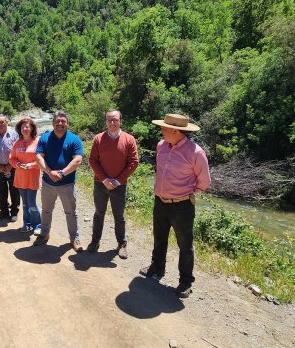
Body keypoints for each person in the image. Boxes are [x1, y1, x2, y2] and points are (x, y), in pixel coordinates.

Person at [139, 113, 211, 298]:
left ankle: (185, 282)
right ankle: (157, 267)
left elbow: (204, 182)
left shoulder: (196, 152)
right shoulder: (161, 146)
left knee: (185, 245)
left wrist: (187, 193)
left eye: (164, 128)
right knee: (159, 237)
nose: (161, 131)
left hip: (182, 206)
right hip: (160, 202)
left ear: (175, 131)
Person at [87, 110, 139, 259]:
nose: (112, 123)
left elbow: (133, 162)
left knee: (119, 216)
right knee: (99, 213)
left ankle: (121, 244)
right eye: (109, 120)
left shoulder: (129, 139)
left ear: (120, 121)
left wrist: (117, 180)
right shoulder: (98, 139)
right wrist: (104, 179)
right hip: (100, 184)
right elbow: (93, 161)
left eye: (115, 120)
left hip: (119, 185)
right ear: (106, 122)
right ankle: (95, 241)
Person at [34, 110, 85, 252]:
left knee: (70, 212)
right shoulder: (44, 138)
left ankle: (74, 238)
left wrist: (62, 173)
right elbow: (38, 157)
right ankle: (44, 234)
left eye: (63, 121)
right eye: (57, 121)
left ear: (67, 123)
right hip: (47, 183)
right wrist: (49, 172)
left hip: (67, 184)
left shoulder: (74, 139)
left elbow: (78, 160)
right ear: (53, 123)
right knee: (46, 210)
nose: (60, 124)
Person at [8, 117, 42, 234]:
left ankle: (37, 224)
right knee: (25, 204)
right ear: (20, 129)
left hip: (32, 178)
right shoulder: (17, 143)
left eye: (27, 126)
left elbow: (42, 159)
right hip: (20, 178)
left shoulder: (38, 141)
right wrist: (17, 164)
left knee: (32, 203)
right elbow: (11, 159)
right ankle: (26, 224)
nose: (25, 129)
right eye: (23, 127)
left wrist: (31, 165)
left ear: (32, 128)